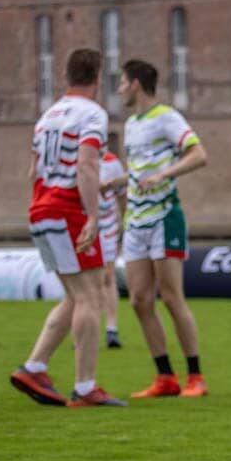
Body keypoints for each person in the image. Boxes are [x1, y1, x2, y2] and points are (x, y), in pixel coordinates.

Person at [8, 48, 127, 407]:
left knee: (75, 295)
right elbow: (87, 166)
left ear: (66, 75)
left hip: (41, 208)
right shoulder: (92, 114)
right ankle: (86, 386)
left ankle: (34, 367)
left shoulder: (47, 116)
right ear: (97, 77)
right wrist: (92, 215)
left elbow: (33, 172)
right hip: (67, 210)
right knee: (91, 296)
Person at [118, 60, 210, 398]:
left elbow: (199, 155)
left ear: (137, 84)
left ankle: (196, 376)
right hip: (136, 221)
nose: (119, 90)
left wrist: (165, 174)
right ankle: (165, 377)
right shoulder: (130, 124)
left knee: (171, 298)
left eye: (122, 83)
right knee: (140, 300)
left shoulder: (167, 117)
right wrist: (116, 183)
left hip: (164, 217)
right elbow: (139, 170)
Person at [98, 143, 128, 349]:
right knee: (84, 281)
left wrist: (126, 221)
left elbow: (121, 194)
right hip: (80, 223)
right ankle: (81, 331)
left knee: (108, 276)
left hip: (106, 223)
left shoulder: (111, 162)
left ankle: (111, 329)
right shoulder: (75, 159)